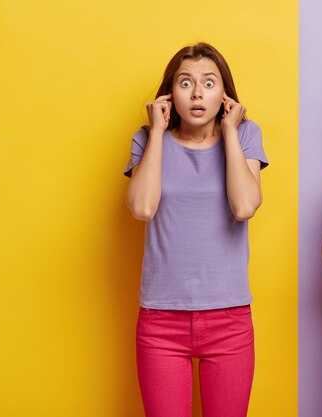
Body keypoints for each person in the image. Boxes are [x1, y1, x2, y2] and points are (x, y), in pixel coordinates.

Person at [124, 43, 268, 417]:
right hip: (160, 321)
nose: (198, 92)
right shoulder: (146, 138)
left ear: (225, 95)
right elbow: (141, 207)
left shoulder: (247, 135)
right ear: (170, 95)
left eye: (209, 83)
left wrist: (230, 133)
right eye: (185, 83)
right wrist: (157, 132)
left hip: (229, 319)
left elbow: (244, 206)